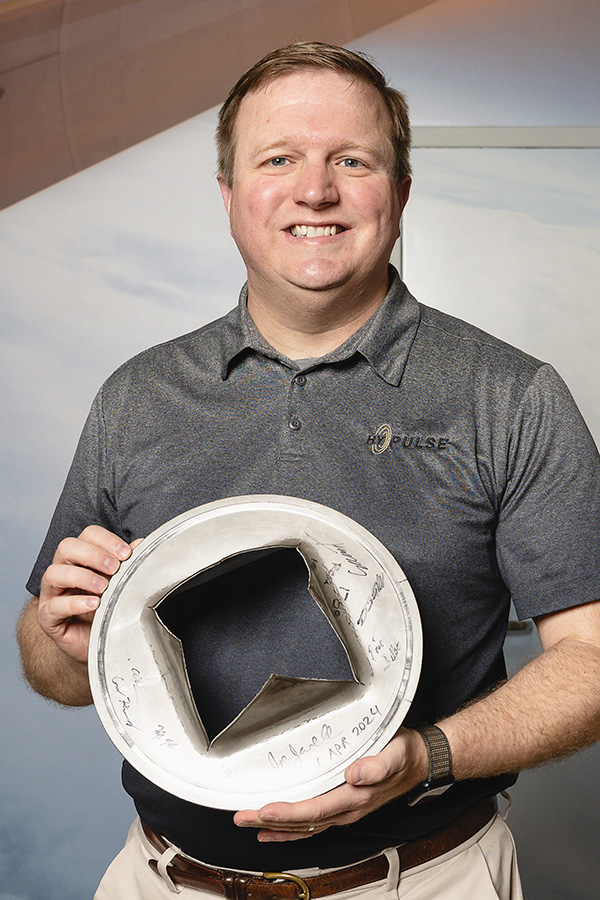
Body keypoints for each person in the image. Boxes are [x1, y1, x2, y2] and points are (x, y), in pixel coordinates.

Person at [17, 41, 600, 900]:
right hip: (162, 880)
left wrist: (427, 759)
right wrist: (66, 644)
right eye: (279, 158)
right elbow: (49, 661)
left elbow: (591, 661)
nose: (314, 190)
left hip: (424, 881)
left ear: (399, 191)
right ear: (229, 196)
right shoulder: (136, 397)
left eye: (351, 160)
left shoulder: (511, 396)